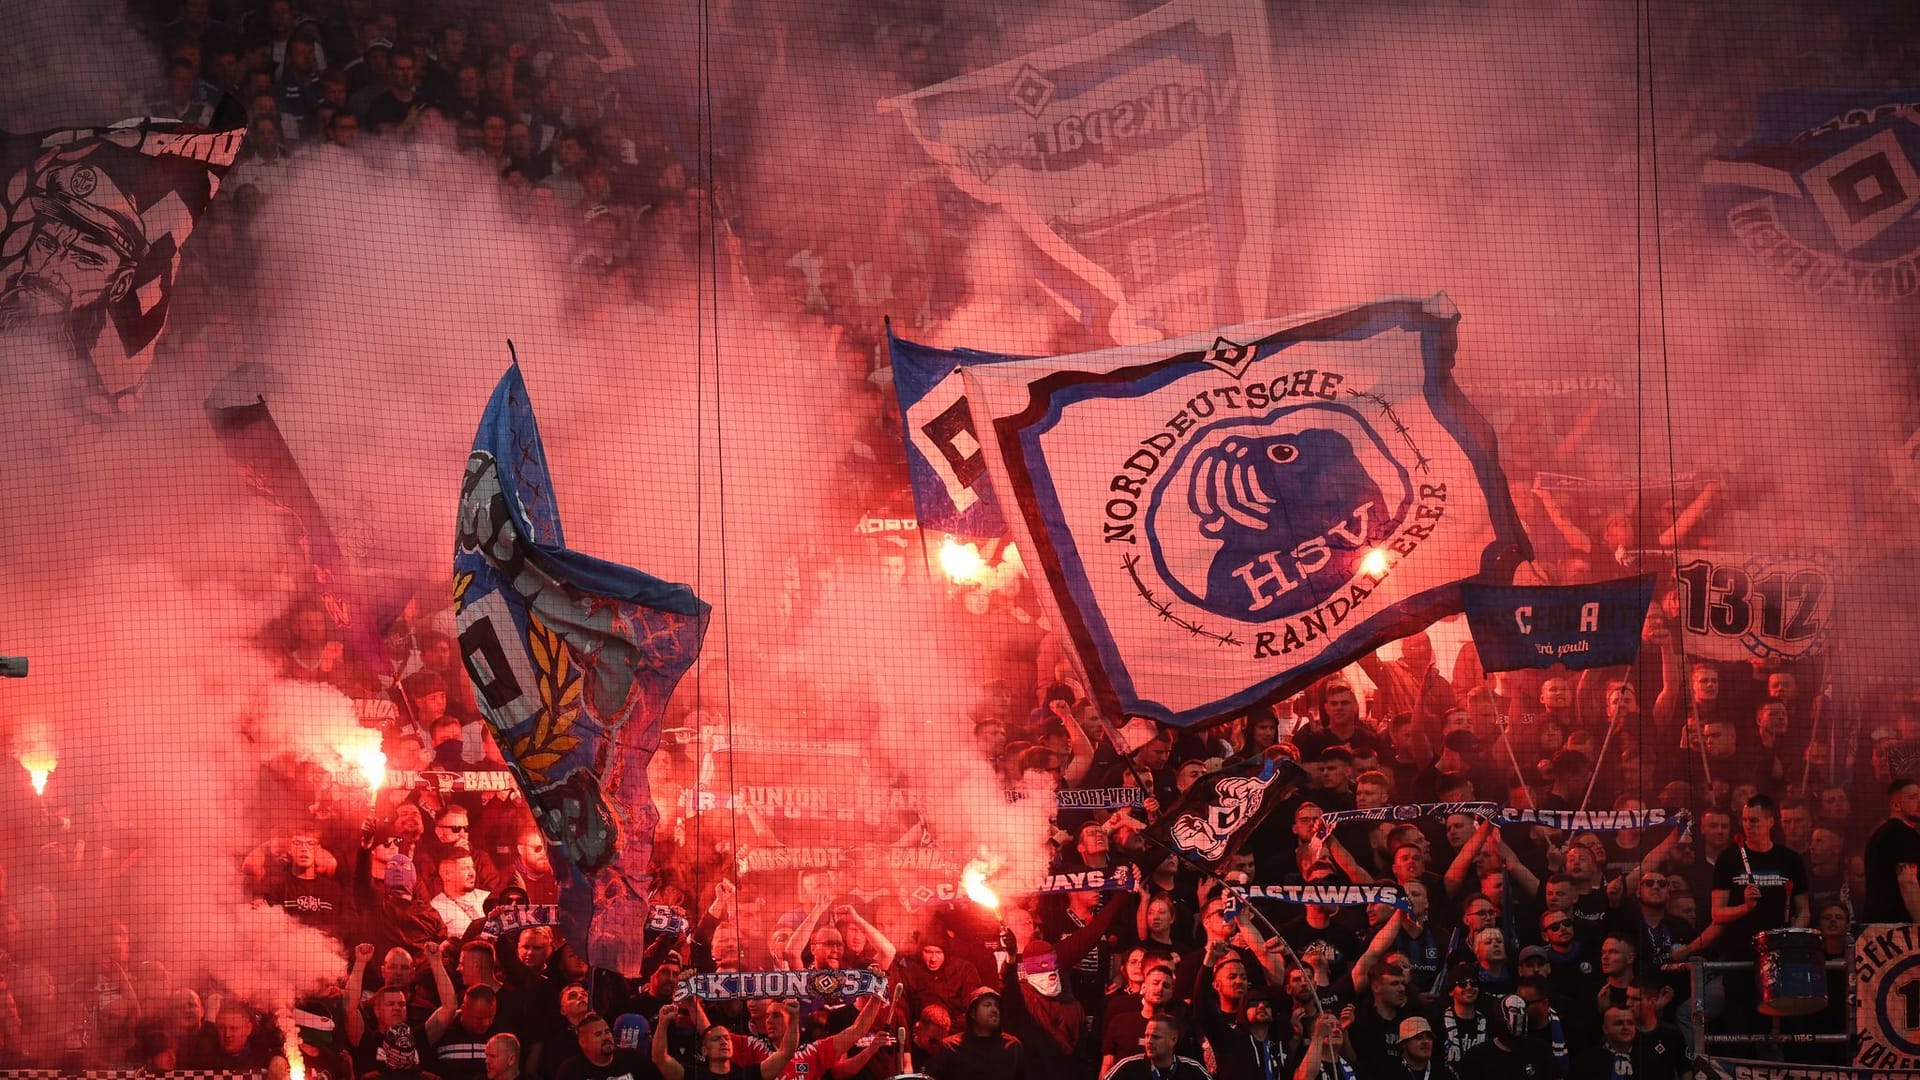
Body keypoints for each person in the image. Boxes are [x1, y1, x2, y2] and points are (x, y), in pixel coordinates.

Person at [652, 1001, 795, 1079]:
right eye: (716, 1039)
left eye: (727, 1038)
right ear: (704, 1050)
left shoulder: (747, 1075)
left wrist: (794, 1018)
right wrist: (663, 1022)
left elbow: (786, 1053)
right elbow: (660, 1058)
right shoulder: (693, 1076)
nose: (724, 1042)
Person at [925, 986, 1025, 1079]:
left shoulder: (1012, 1046)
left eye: (997, 1006)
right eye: (987, 1005)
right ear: (973, 1013)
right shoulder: (950, 1047)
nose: (994, 1010)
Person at [1862, 778, 1920, 923]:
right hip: (1898, 929)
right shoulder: (1903, 834)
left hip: (1878, 927)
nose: (1919, 802)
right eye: (1913, 798)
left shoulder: (1881, 834)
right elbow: (1908, 882)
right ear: (1896, 804)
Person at [1460, 996, 1553, 1080]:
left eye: (1523, 1010)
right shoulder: (1477, 1057)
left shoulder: (1540, 1049)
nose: (1521, 1015)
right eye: (1514, 1011)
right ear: (1500, 1016)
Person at [1102, 1014, 1211, 1079]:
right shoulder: (1127, 1067)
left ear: (1173, 1040)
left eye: (1156, 1037)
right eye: (1147, 1036)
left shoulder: (1192, 1069)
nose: (1149, 1041)